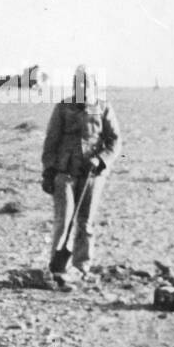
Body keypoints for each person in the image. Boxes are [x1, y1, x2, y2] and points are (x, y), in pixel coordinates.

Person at [41, 65, 122, 288]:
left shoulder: (103, 107)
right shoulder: (63, 107)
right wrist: (48, 171)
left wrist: (101, 159)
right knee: (63, 221)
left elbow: (115, 141)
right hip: (64, 172)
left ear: (94, 86)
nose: (82, 88)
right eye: (78, 83)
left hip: (92, 176)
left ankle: (81, 267)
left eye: (86, 83)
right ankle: (57, 268)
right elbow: (51, 142)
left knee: (85, 222)